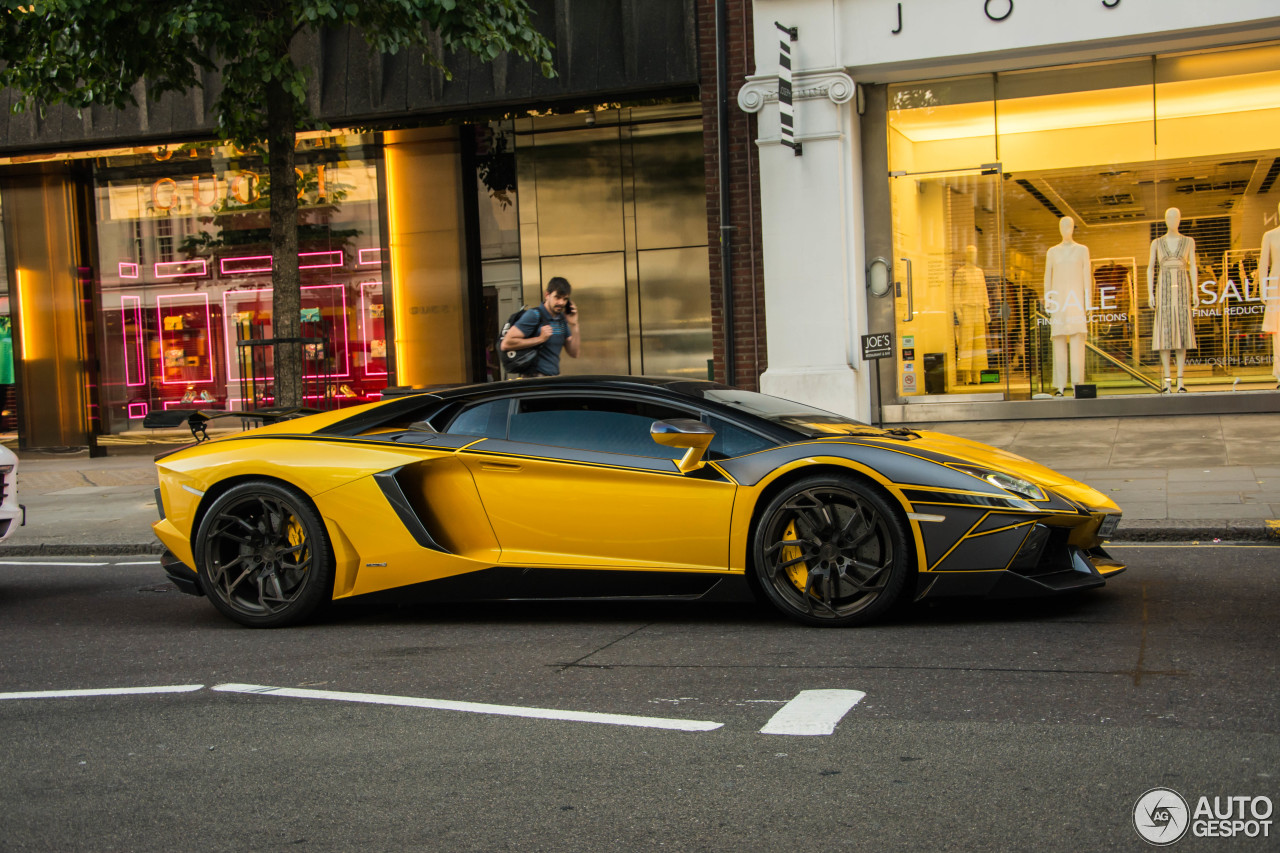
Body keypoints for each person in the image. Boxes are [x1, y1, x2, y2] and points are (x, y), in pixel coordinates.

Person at [1147, 207, 1198, 392]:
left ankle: (1181, 381)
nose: (1173, 219)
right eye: (1169, 217)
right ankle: (1168, 381)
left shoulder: (1188, 241)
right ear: (1164, 219)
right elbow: (1150, 268)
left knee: (1181, 334)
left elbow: (1193, 267)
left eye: (1176, 216)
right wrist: (1151, 293)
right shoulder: (1157, 243)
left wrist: (1195, 292)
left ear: (1180, 219)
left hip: (1183, 289)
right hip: (1164, 290)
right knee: (1165, 334)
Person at [1043, 216, 1090, 396]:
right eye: (1062, 225)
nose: (1066, 229)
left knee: (1078, 340)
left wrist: (1088, 302)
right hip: (1059, 301)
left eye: (1069, 225)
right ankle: (1060, 386)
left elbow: (1087, 276)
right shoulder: (1052, 252)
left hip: (1076, 300)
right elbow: (1047, 276)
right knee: (1059, 342)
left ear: (1073, 228)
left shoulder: (1082, 250)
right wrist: (1048, 300)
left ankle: (1078, 383)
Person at [499, 276, 580, 377]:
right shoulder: (534, 315)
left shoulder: (562, 319)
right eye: (557, 297)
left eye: (565, 299)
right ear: (547, 295)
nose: (561, 302)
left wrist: (574, 325)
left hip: (553, 378)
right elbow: (506, 344)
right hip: (535, 380)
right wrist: (540, 339)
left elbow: (574, 353)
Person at [952, 245, 989, 385]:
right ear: (966, 255)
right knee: (966, 343)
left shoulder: (980, 272)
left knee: (979, 343)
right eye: (970, 253)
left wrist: (986, 310)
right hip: (966, 309)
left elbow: (984, 291)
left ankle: (978, 374)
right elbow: (956, 292)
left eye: (975, 253)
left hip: (978, 309)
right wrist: (958, 310)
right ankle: (966, 374)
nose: (973, 256)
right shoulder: (961, 273)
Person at [1258, 201, 1280, 389]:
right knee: (1278, 332)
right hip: (1276, 284)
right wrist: (1262, 289)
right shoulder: (1270, 235)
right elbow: (1263, 263)